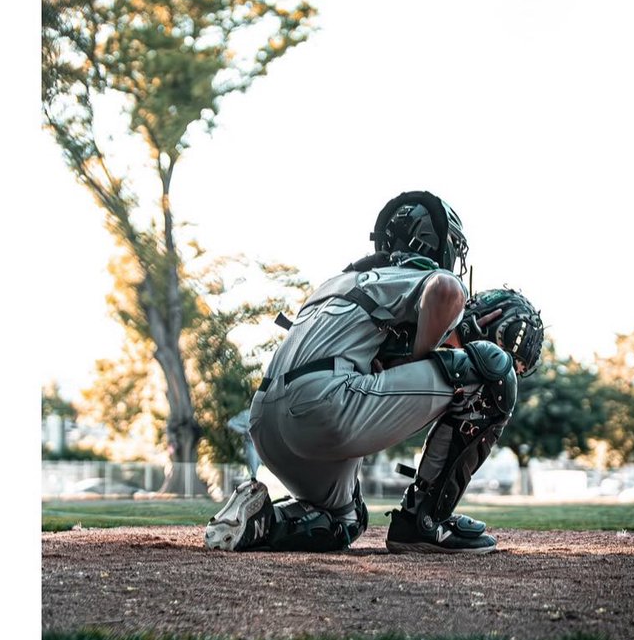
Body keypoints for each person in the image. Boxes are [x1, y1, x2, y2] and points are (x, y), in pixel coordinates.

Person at [204, 191, 542, 555]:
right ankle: (425, 523)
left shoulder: (343, 282)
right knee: (493, 373)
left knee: (343, 522)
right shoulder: (416, 273)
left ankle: (260, 520)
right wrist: (423, 357)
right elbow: (445, 290)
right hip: (323, 408)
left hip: (266, 423)